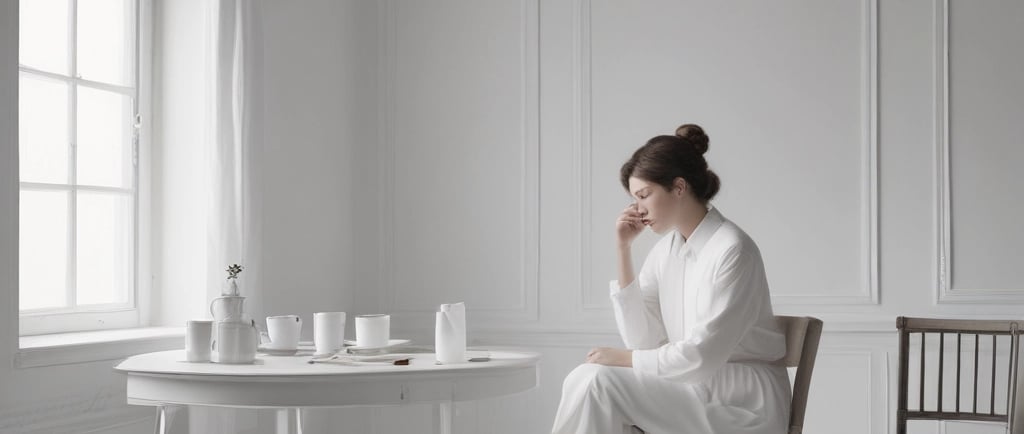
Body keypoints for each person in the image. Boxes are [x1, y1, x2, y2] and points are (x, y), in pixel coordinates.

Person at [551, 124, 791, 434]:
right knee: (585, 376)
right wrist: (623, 249)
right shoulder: (667, 250)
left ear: (678, 187)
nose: (638, 210)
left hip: (743, 402)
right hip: (690, 386)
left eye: (644, 195)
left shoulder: (733, 250)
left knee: (599, 381)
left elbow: (701, 355)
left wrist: (624, 358)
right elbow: (643, 342)